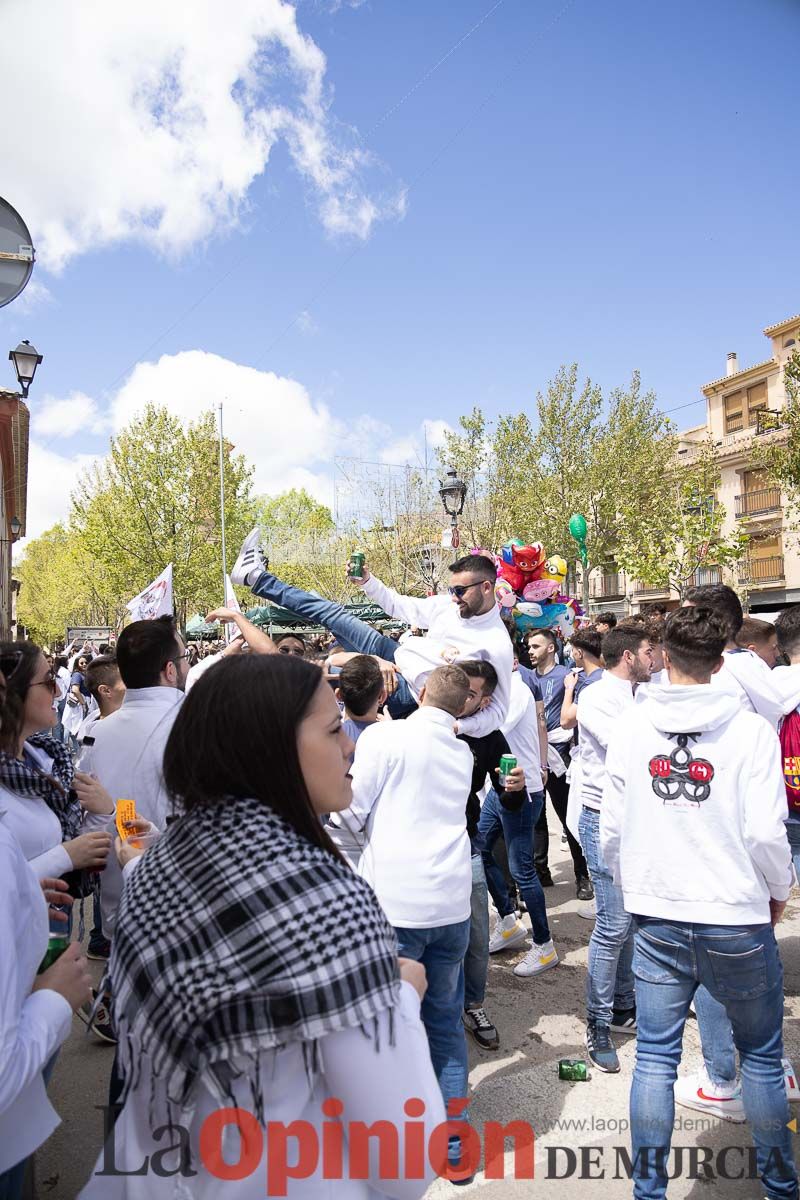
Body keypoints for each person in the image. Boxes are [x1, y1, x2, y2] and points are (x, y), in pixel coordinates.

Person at [79, 654, 445, 1198]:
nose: (349, 744)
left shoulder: (157, 871)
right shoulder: (326, 902)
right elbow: (404, 1158)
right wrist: (399, 999)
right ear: (271, 750)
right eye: (330, 728)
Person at [600, 606, 797, 1200]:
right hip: (734, 913)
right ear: (721, 661)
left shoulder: (634, 729)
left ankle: (649, 1190)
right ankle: (781, 1186)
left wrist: (636, 880)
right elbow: (766, 833)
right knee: (761, 1056)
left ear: (663, 655)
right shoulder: (750, 732)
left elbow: (610, 832)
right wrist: (779, 891)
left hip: (658, 910)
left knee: (655, 1058)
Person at [345, 666, 475, 1178]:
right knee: (444, 1023)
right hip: (450, 903)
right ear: (463, 706)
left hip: (396, 903)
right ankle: (455, 1152)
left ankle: (388, 1145)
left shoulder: (386, 736)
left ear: (419, 693)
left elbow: (350, 810)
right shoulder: (460, 752)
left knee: (383, 1024)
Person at [231, 527, 513, 734]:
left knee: (335, 679)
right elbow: (398, 605)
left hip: (406, 690)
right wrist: (368, 581)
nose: (453, 597)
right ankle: (255, 577)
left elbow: (498, 711)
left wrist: (456, 725)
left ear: (486, 587)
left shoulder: (496, 643)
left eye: (460, 591)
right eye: (452, 589)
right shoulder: (447, 606)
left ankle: (258, 701)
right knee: (330, 611)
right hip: (391, 653)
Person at [576, 625, 653, 1073]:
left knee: (630, 920)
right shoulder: (598, 696)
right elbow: (630, 750)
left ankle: (624, 1006)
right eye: (648, 651)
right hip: (603, 818)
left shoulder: (643, 695)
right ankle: (598, 1024)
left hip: (638, 821)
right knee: (613, 923)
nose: (654, 657)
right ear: (628, 656)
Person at [91, 618, 189, 944]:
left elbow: (91, 824)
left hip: (118, 915)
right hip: (185, 918)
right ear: (170, 670)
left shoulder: (97, 734)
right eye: (186, 657)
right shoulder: (201, 725)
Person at [457, 659, 527, 1049]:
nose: (456, 695)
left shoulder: (489, 738)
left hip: (465, 842)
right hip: (414, 847)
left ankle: (472, 1003)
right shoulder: (414, 724)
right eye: (453, 684)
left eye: (468, 692)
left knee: (476, 933)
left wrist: (513, 790)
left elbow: (506, 800)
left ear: (486, 702)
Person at [0, 642, 112, 885]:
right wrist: (62, 858)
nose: (59, 693)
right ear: (11, 694)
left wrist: (101, 813)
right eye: (49, 681)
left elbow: (72, 848)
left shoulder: (49, 761)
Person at [479, 662, 559, 979]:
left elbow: (489, 726)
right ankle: (509, 921)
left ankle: (544, 945)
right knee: (480, 849)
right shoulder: (499, 692)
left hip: (522, 792)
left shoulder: (516, 690)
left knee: (522, 870)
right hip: (498, 790)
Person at [527, 628, 592, 898]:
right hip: (532, 752)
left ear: (551, 648)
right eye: (528, 646)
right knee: (535, 817)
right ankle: (541, 871)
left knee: (567, 813)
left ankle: (582, 875)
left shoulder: (568, 677)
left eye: (536, 646)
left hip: (560, 753)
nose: (530, 651)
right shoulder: (525, 678)